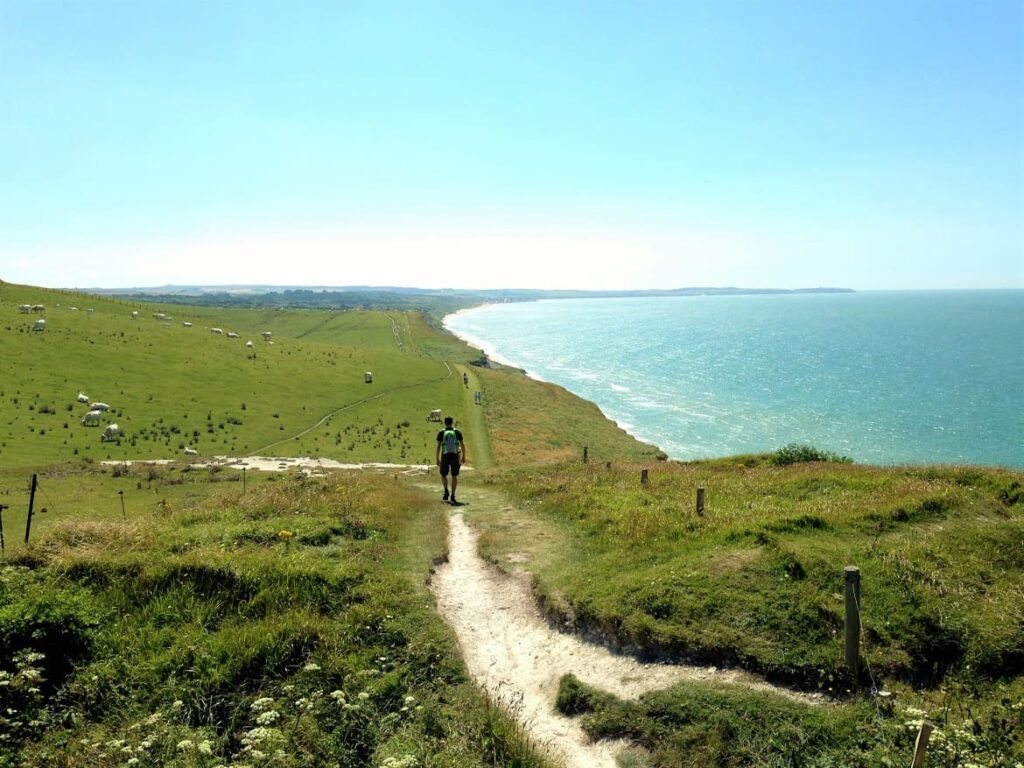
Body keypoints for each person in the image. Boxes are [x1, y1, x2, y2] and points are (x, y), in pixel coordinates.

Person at [436, 416, 466, 504]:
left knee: (443, 474)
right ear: (452, 422)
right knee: (454, 476)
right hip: (455, 456)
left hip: (445, 456)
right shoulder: (457, 432)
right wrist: (464, 456)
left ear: (445, 423)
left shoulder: (441, 433)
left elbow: (438, 447)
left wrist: (437, 458)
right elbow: (462, 445)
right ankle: (453, 495)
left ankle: (446, 490)